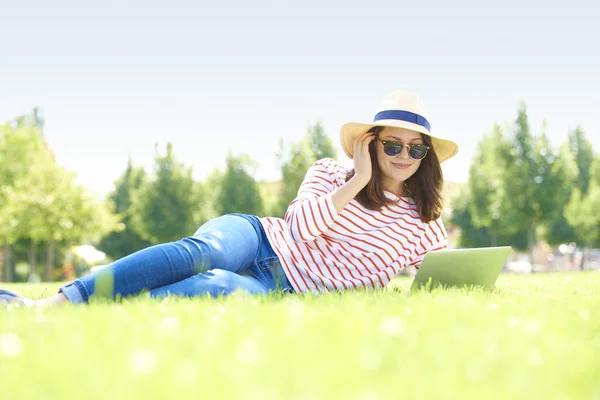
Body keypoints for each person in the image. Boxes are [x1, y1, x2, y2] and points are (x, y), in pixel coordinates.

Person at [0, 90, 458, 306]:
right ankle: (54, 306)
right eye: (391, 145)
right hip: (260, 238)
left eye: (415, 148)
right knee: (206, 253)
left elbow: (450, 278)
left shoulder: (424, 223)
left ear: (427, 157)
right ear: (369, 144)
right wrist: (356, 180)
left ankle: (102, 300)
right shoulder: (329, 173)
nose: (404, 156)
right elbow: (301, 227)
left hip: (283, 287)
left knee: (217, 287)